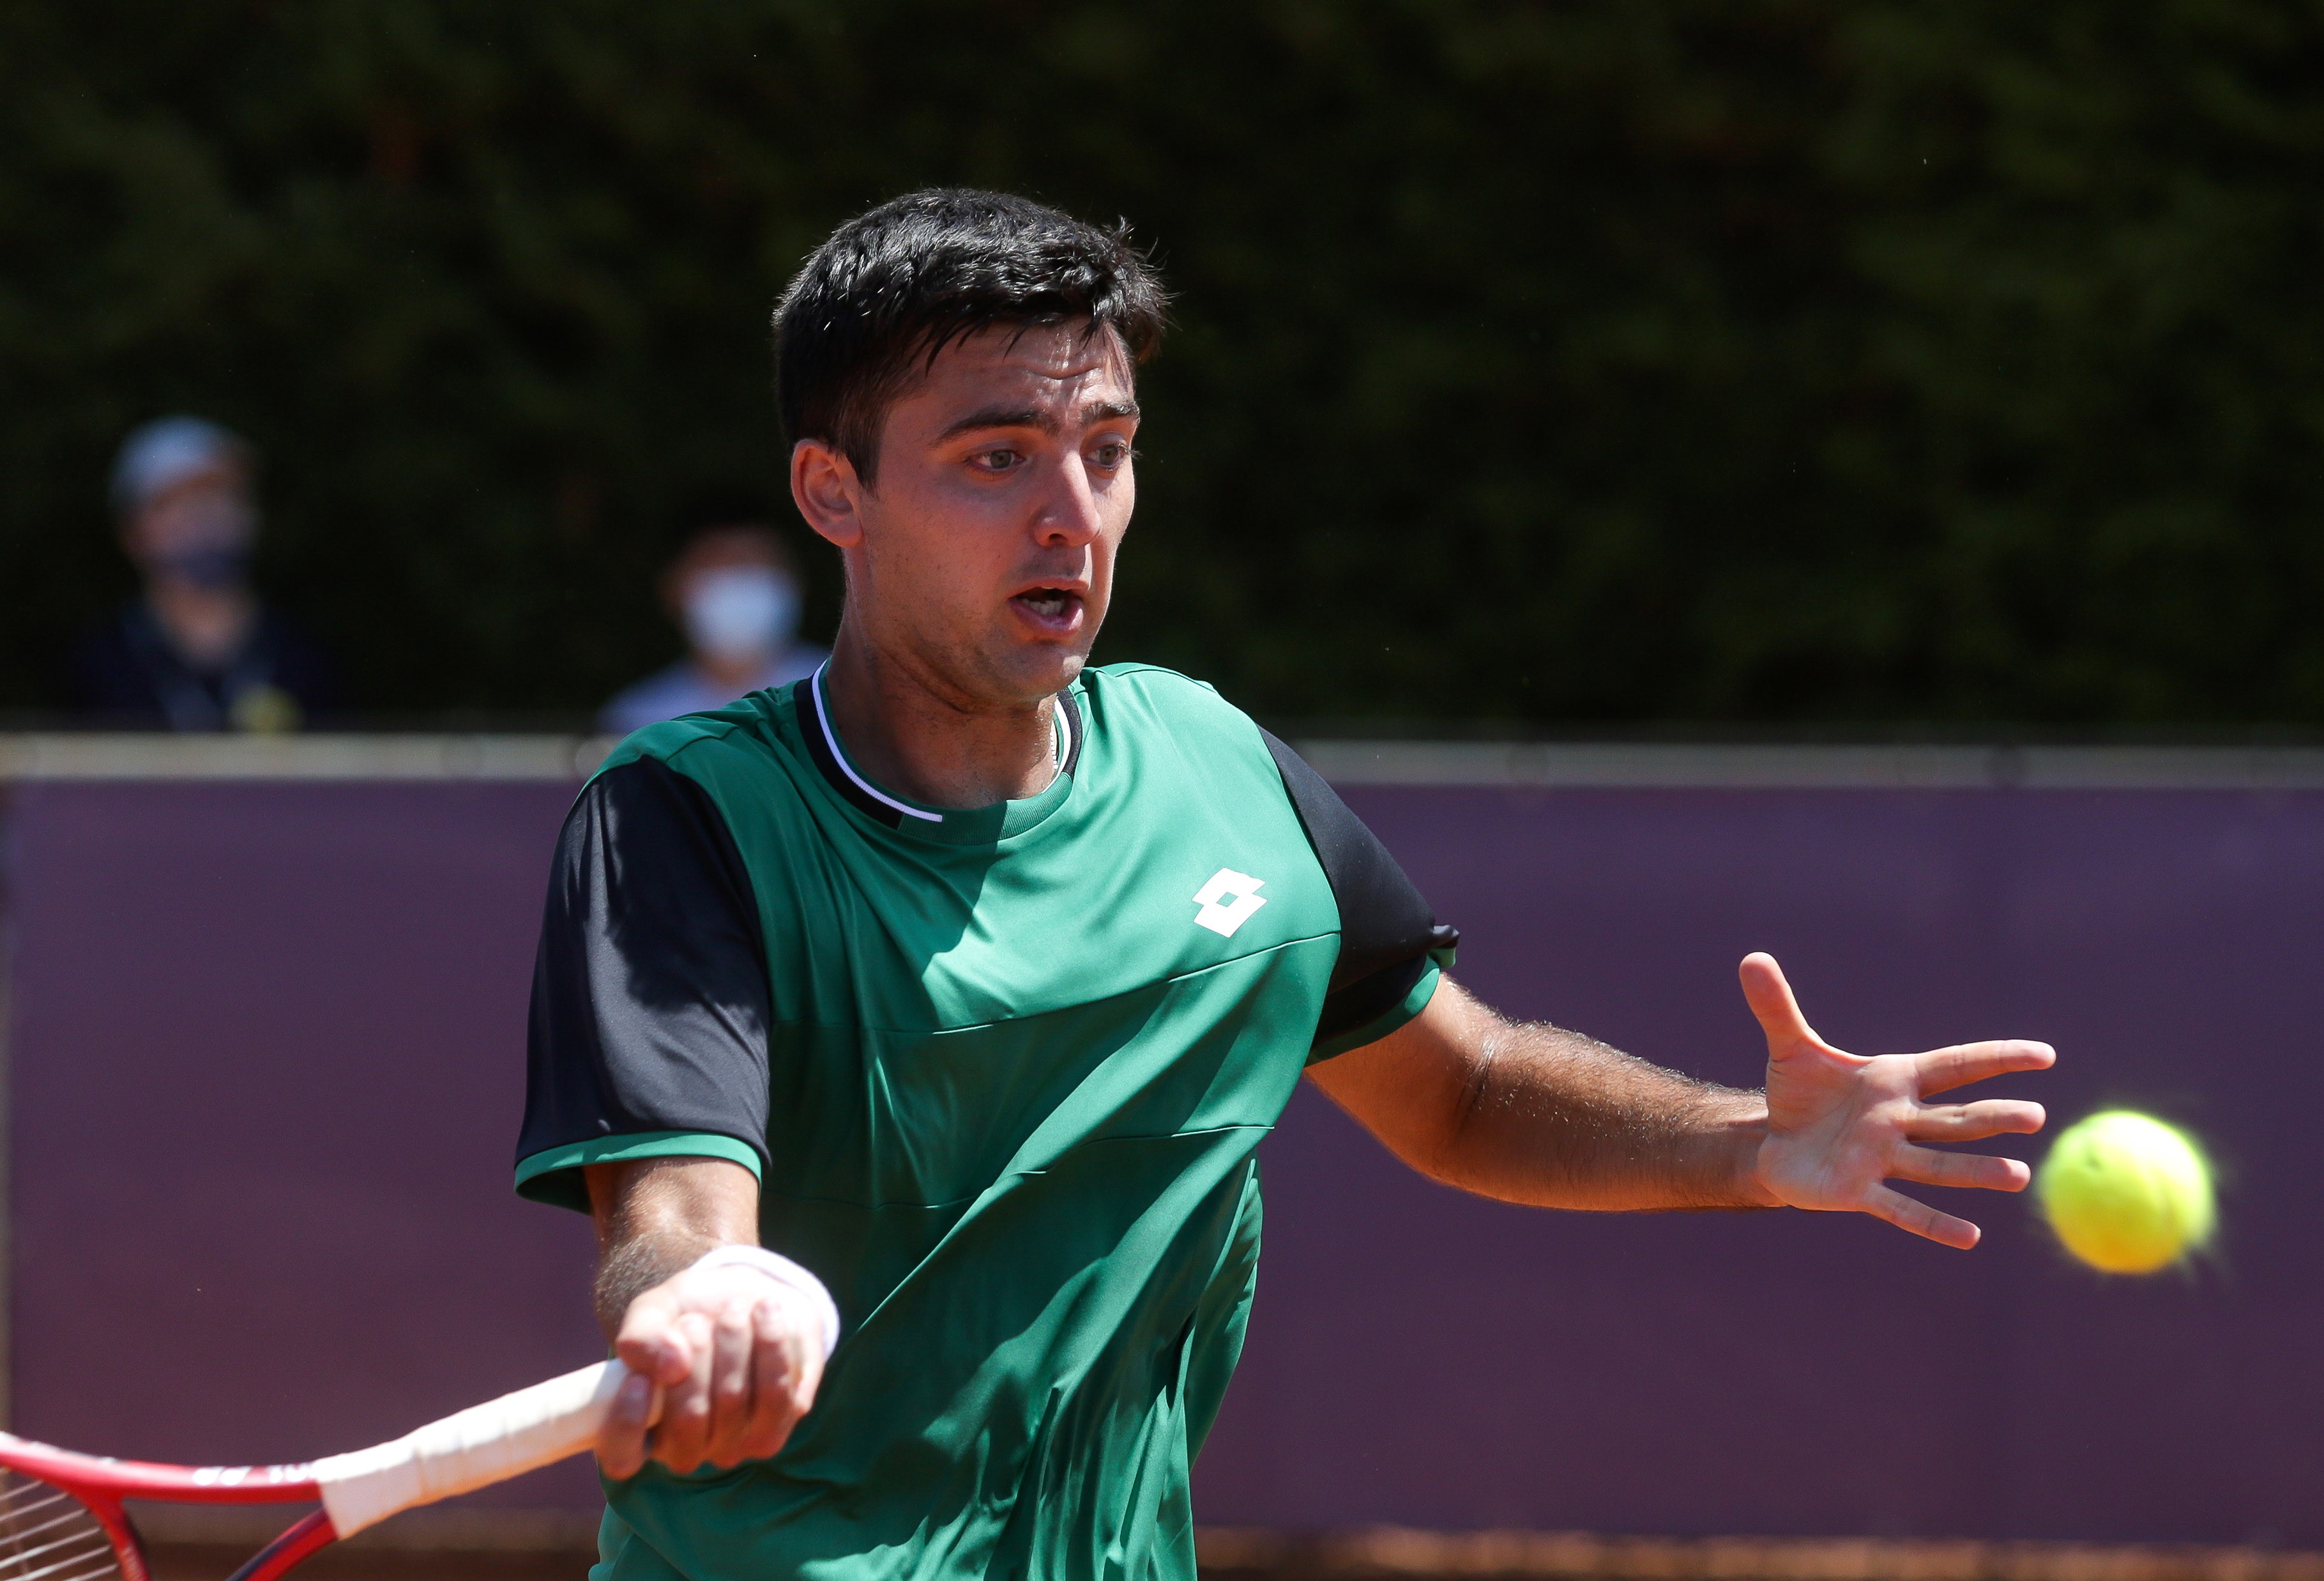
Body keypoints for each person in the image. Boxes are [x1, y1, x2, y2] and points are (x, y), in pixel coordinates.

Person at [513, 191, 2056, 1581]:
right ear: (832, 491)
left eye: (1105, 451)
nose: (1070, 512)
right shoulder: (685, 814)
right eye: (996, 457)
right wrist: (703, 1295)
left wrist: (1752, 1142)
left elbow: (1465, 1091)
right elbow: (668, 1209)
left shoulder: (1214, 769)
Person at [71, 416, 333, 733]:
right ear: (133, 533)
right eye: (180, 503)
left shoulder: (306, 659)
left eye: (225, 495)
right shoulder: (97, 669)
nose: (207, 515)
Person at [598, 516, 828, 734]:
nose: (740, 586)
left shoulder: (845, 699)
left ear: (796, 581)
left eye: (756, 564)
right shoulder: (634, 721)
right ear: (671, 588)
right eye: (721, 564)